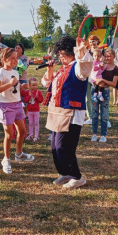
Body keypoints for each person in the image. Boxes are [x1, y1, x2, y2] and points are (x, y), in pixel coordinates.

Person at [42, 36, 93, 189]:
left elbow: (86, 66)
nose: (61, 56)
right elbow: (46, 83)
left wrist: (82, 51)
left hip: (72, 113)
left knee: (64, 147)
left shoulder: (77, 67)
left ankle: (77, 177)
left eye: (64, 54)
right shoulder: (62, 69)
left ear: (72, 53)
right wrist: (49, 69)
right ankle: (65, 172)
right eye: (60, 54)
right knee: (54, 147)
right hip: (57, 112)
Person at [0, 47, 34, 174]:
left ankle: (19, 154)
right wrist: (10, 83)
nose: (16, 60)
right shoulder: (0, 74)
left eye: (16, 58)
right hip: (6, 106)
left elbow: (15, 88)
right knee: (9, 134)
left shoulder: (15, 72)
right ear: (5, 59)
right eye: (13, 58)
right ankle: (6, 159)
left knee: (22, 131)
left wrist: (22, 87)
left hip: (17, 104)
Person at [90, 48, 118, 143]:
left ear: (114, 56)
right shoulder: (99, 64)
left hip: (105, 91)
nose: (107, 58)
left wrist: (102, 81)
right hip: (94, 89)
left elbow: (114, 84)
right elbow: (92, 74)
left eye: (109, 56)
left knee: (104, 115)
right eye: (105, 56)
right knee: (94, 114)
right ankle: (94, 134)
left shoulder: (116, 68)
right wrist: (96, 82)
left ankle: (103, 135)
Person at [84, 36, 100, 125]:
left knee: (98, 98)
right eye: (90, 42)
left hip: (97, 78)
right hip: (88, 76)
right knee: (87, 98)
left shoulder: (101, 52)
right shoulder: (87, 52)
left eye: (93, 41)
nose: (92, 43)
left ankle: (100, 116)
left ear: (97, 41)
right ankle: (90, 116)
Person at [21, 77, 43, 142]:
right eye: (33, 85)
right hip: (29, 111)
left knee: (36, 123)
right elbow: (25, 100)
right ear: (30, 85)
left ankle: (36, 136)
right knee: (30, 123)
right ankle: (30, 135)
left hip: (36, 111)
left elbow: (41, 100)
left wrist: (37, 97)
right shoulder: (28, 92)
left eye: (36, 85)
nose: (35, 87)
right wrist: (29, 96)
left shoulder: (38, 92)